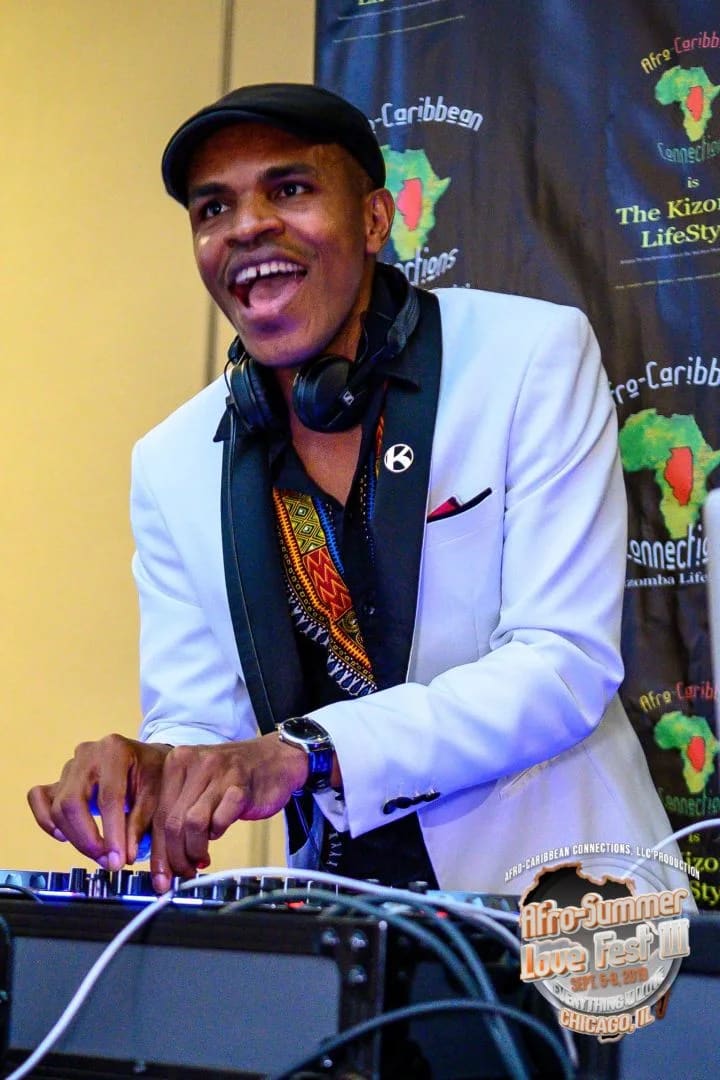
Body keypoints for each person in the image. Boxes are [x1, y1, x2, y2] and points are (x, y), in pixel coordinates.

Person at [28, 83, 682, 897]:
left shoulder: (531, 356)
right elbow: (202, 720)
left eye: (289, 189)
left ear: (375, 220)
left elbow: (561, 664)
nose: (247, 226)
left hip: (579, 905)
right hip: (346, 923)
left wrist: (307, 751)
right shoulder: (170, 461)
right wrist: (156, 768)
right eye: (213, 208)